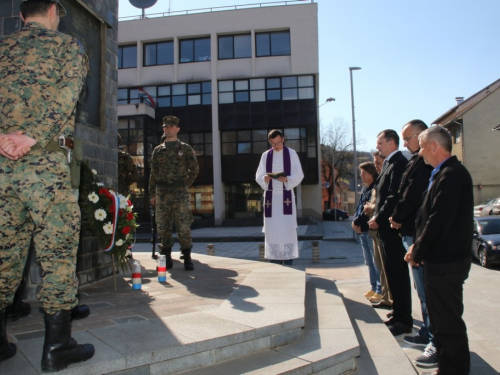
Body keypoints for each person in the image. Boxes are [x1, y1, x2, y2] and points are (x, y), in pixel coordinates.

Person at [0, 0, 94, 371]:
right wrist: (32, 138)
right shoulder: (67, 47)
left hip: (3, 166)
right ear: (54, 10)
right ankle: (57, 347)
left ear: (22, 15)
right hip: (49, 167)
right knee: (57, 255)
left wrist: (6, 139)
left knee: (3, 252)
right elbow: (65, 97)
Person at [405, 126, 473, 375]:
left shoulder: (452, 175)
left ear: (434, 146)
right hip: (439, 261)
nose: (420, 152)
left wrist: (417, 251)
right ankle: (447, 367)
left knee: (448, 322)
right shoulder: (443, 173)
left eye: (422, 147)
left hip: (447, 263)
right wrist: (417, 246)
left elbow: (439, 221)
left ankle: (454, 371)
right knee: (442, 320)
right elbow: (430, 218)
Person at [389, 120, 436, 367]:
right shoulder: (417, 161)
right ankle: (427, 333)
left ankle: (433, 338)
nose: (405, 142)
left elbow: (411, 195)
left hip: (415, 231)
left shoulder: (423, 164)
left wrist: (397, 217)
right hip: (410, 230)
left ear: (421, 136)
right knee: (422, 290)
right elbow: (402, 191)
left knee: (427, 291)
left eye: (408, 138)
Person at [368, 129, 412, 336]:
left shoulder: (399, 164)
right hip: (386, 229)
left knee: (398, 273)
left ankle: (404, 319)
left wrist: (379, 216)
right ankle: (398, 312)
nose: (377, 146)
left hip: (392, 228)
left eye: (380, 142)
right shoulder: (389, 163)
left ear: (391, 142)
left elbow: (393, 196)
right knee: (392, 273)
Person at [149, 116, 199, 271]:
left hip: (180, 193)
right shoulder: (158, 151)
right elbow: (153, 174)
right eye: (165, 126)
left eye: (171, 126)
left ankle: (187, 257)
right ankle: (167, 257)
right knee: (163, 227)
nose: (168, 128)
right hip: (162, 192)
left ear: (177, 129)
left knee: (183, 226)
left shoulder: (185, 149)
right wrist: (152, 194)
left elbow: (194, 168)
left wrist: (185, 183)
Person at [255, 129, 304, 265]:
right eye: (273, 144)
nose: (276, 146)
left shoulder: (292, 154)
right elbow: (258, 175)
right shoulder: (265, 156)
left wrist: (287, 179)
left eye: (278, 143)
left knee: (287, 230)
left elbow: (299, 174)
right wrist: (264, 178)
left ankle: (288, 261)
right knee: (272, 231)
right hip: (271, 199)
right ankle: (274, 261)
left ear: (283, 139)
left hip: (286, 197)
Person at [365, 151, 393, 311]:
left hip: (383, 227)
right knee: (380, 266)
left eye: (377, 163)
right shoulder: (381, 178)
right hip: (376, 228)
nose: (375, 166)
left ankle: (390, 299)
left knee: (386, 268)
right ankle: (386, 297)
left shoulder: (386, 177)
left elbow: (386, 202)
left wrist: (372, 208)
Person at [352, 162, 382, 302]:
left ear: (371, 173)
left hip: (370, 229)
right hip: (362, 229)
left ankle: (379, 290)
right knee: (368, 261)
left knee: (376, 261)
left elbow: (367, 210)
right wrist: (355, 221)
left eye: (363, 173)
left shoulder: (374, 188)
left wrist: (357, 221)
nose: (361, 176)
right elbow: (359, 207)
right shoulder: (365, 189)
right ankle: (373, 286)